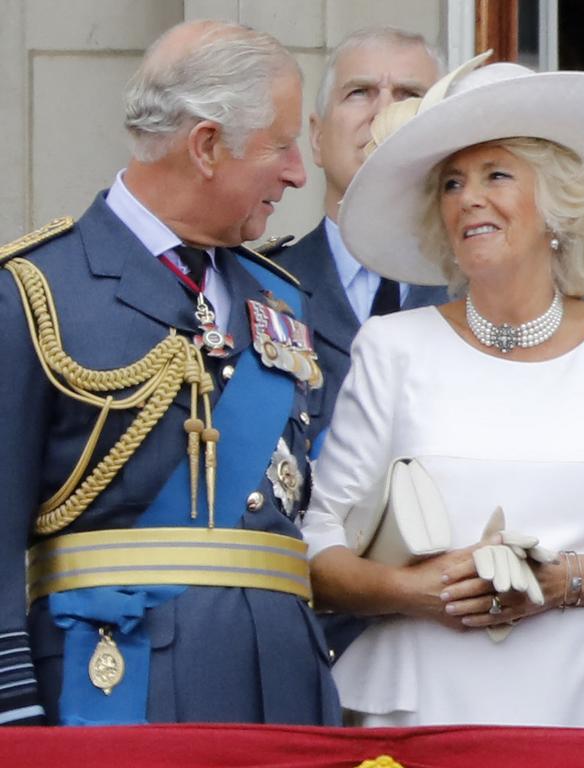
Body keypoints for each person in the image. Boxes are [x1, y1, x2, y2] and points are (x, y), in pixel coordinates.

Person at [299, 56, 584, 728]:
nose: (469, 198)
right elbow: (317, 539)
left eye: (496, 175)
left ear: (556, 203)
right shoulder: (392, 346)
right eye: (452, 183)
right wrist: (409, 589)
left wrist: (561, 581)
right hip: (422, 703)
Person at [0, 20, 340, 726]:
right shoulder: (36, 290)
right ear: (208, 145)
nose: (298, 174)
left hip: (282, 688)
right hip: (117, 688)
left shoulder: (281, 298)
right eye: (281, 146)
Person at [273, 27, 449, 445]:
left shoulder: (487, 290)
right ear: (316, 138)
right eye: (360, 93)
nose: (383, 112)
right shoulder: (260, 289)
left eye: (408, 95)